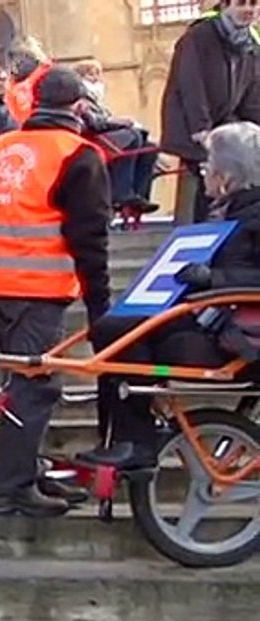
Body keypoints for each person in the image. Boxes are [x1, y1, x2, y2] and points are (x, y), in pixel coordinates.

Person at [82, 121, 260, 470]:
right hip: (214, 322)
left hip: (241, 340)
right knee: (112, 329)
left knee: (118, 333)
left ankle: (135, 440)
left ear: (227, 175)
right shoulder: (231, 210)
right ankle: (128, 435)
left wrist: (214, 277)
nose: (203, 173)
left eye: (208, 166)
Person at [0, 66, 112, 518]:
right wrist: (100, 306)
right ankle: (9, 486)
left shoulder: (0, 148)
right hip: (40, 289)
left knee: (23, 384)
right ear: (79, 107)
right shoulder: (78, 155)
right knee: (36, 387)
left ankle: (24, 470)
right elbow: (90, 240)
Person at [161, 0, 260, 222]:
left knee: (242, 175)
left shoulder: (250, 43)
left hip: (225, 123)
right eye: (241, 4)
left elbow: (252, 93)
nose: (248, 10)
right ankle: (199, 235)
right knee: (207, 183)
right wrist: (200, 128)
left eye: (254, 4)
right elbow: (190, 84)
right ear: (224, 6)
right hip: (192, 125)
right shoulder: (199, 36)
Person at [74, 59, 159, 214]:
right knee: (132, 137)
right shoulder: (79, 98)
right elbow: (92, 122)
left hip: (105, 136)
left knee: (149, 148)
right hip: (94, 139)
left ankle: (139, 194)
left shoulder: (97, 101)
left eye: (98, 73)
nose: (95, 78)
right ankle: (122, 191)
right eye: (90, 74)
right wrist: (115, 122)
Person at [5, 37, 53, 127]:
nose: (17, 63)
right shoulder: (13, 84)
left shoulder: (48, 78)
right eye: (14, 58)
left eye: (24, 56)